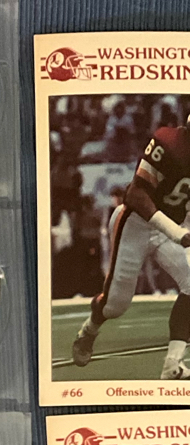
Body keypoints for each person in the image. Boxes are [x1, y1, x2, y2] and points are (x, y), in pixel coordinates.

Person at [72, 116, 190, 378]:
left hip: (172, 227)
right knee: (116, 306)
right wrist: (177, 232)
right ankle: (89, 330)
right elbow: (135, 194)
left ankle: (172, 365)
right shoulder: (168, 143)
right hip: (135, 224)